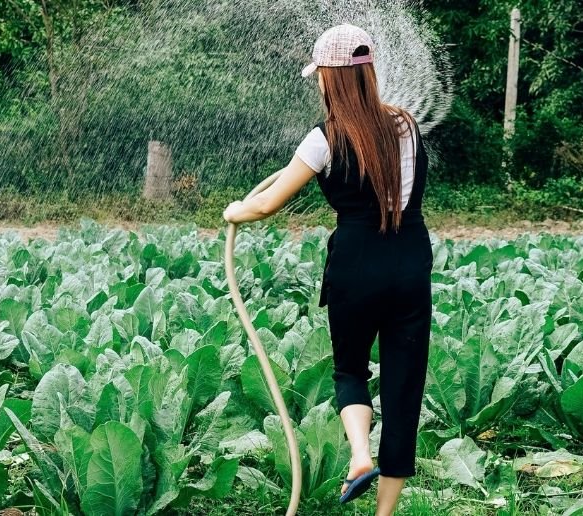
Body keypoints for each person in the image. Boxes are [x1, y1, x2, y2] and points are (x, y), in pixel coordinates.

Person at [223, 23, 432, 516]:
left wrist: (235, 210)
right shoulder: (407, 125)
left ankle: (360, 455)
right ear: (369, 74)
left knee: (350, 369)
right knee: (405, 387)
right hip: (409, 263)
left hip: (356, 265)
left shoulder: (323, 140)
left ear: (331, 80)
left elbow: (266, 204)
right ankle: (384, 514)